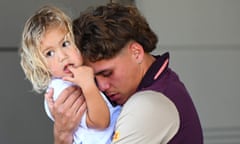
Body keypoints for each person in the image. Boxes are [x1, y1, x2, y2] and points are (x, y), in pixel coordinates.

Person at [45, 3, 204, 144]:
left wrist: (63, 135)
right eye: (93, 78)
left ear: (136, 52)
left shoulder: (147, 104)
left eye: (107, 73)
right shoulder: (165, 83)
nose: (101, 86)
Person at [20, 5, 121, 144]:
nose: (62, 56)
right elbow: (101, 121)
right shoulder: (61, 90)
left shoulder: (81, 74)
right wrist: (88, 86)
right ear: (41, 66)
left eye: (65, 44)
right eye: (49, 53)